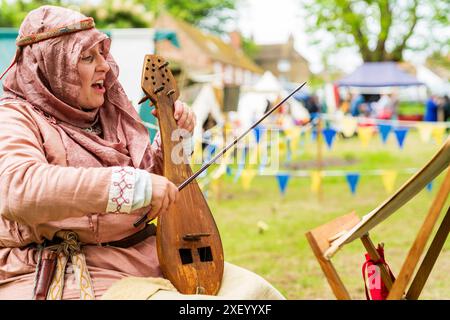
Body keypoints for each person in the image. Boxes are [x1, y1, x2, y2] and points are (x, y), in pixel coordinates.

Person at [0, 6, 284, 300]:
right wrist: (130, 185)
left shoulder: (107, 116)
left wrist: (172, 137)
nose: (105, 66)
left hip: (147, 257)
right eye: (87, 57)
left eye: (102, 53)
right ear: (52, 67)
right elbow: (17, 188)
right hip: (74, 267)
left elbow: (152, 184)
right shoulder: (15, 117)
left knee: (258, 294)